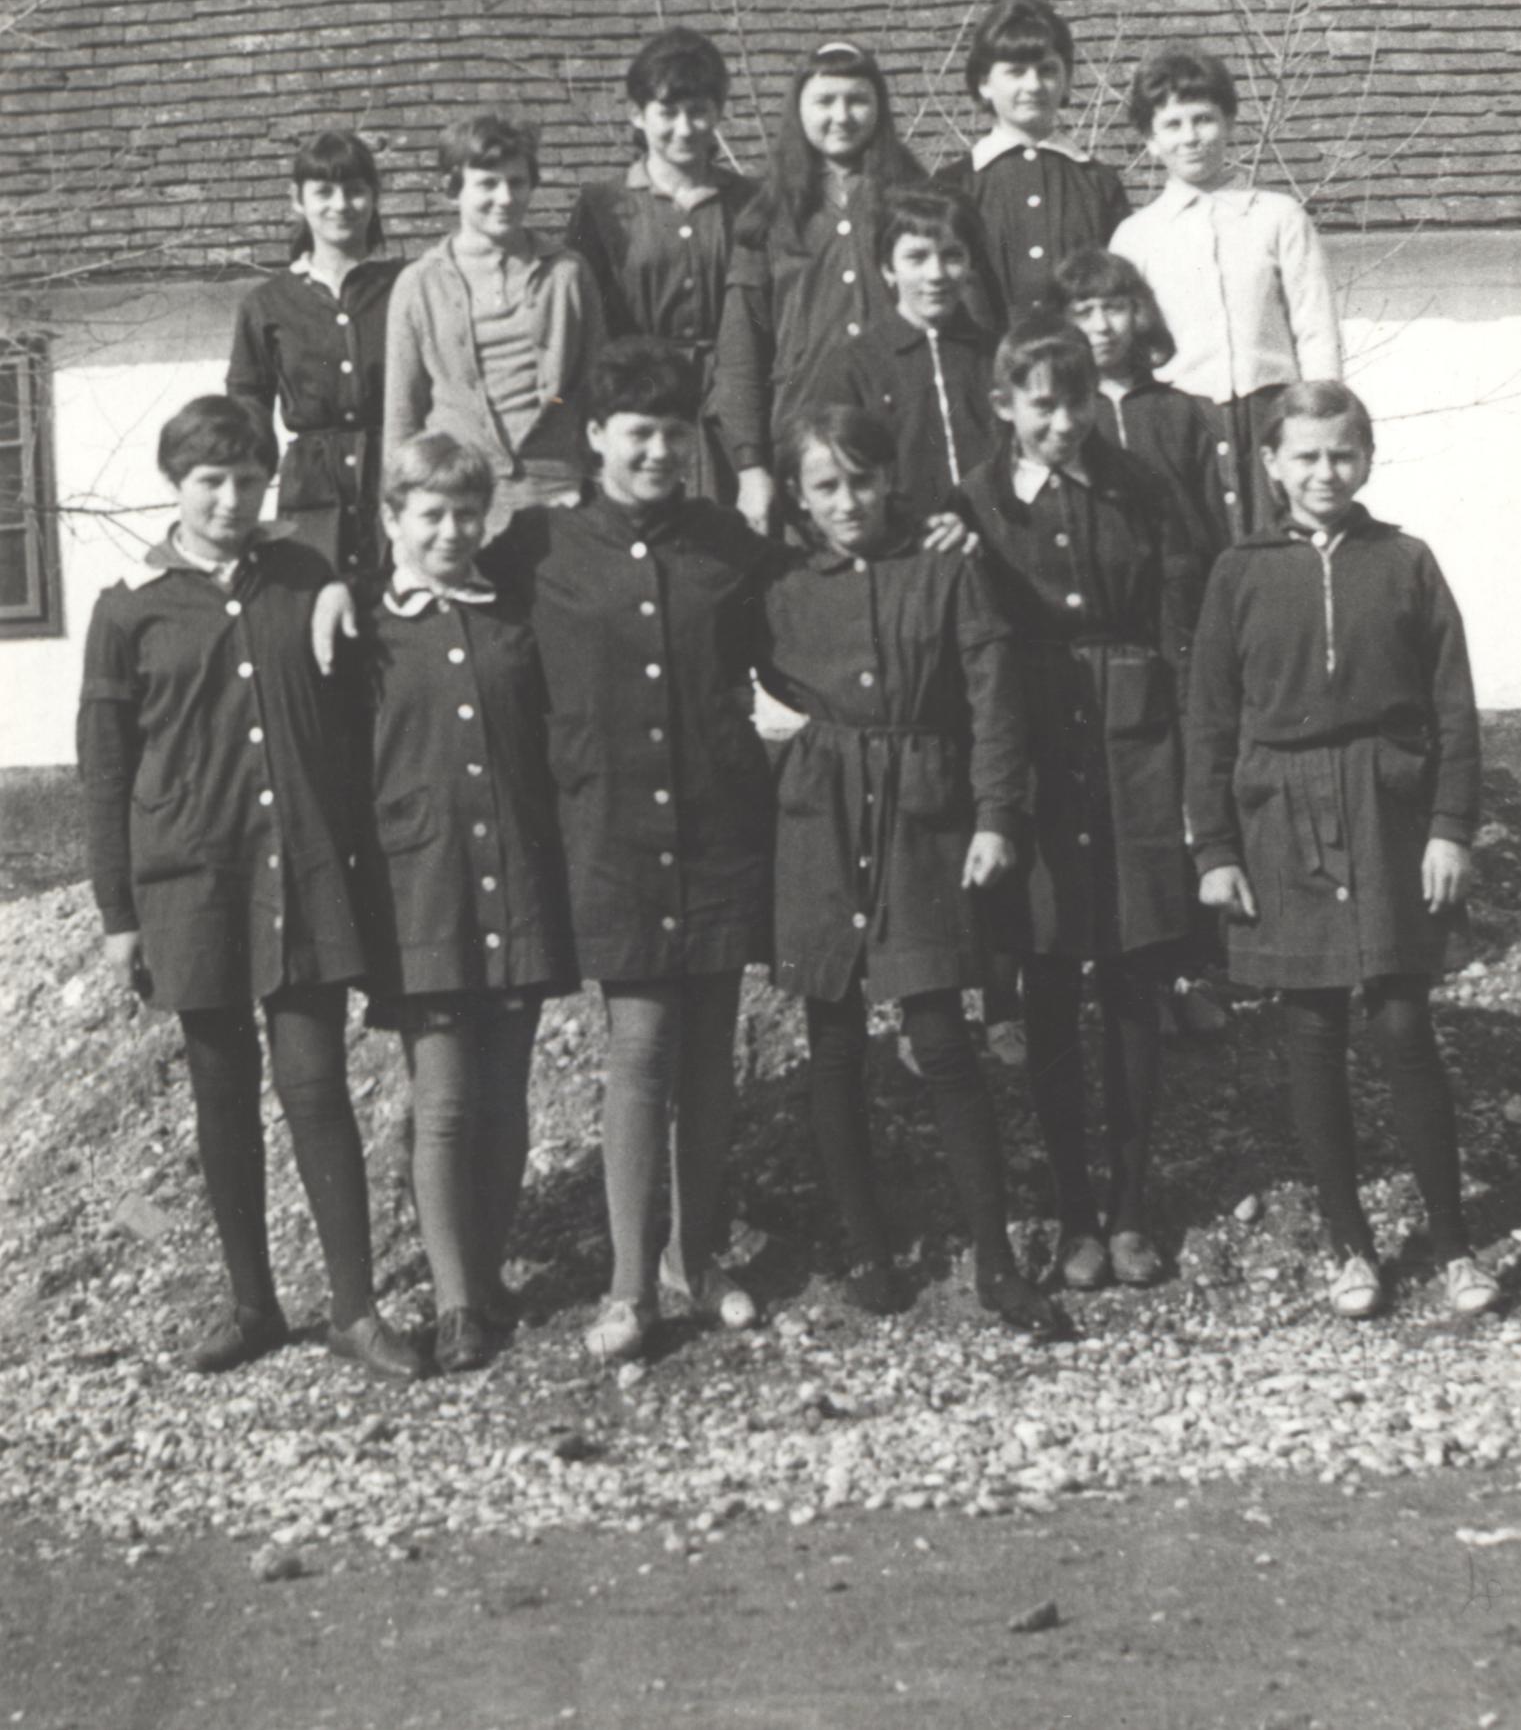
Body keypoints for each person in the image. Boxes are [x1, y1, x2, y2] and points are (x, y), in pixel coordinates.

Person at [76, 397, 421, 1381]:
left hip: (299, 875)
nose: (230, 501)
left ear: (269, 482)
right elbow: (105, 770)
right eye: (210, 482)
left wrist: (343, 589)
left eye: (247, 481)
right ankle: (253, 1306)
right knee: (221, 1094)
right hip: (193, 884)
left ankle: (355, 1309)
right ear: (175, 485)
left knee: (316, 1086)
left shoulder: (303, 578)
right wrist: (118, 914)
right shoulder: (128, 607)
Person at [481, 338, 773, 1363]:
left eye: (675, 433)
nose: (658, 451)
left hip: (718, 826)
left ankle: (699, 1258)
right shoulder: (538, 547)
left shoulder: (727, 543)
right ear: (596, 436)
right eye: (638, 432)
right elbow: (445, 600)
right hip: (608, 833)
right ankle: (627, 1284)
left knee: (710, 1054)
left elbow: (814, 613)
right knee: (642, 1046)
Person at [1186, 381, 1499, 1320]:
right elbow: (1209, 719)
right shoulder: (1238, 572)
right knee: (1312, 1032)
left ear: (1366, 458)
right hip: (1281, 814)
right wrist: (1215, 847)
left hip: (1385, 811)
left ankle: (1454, 1244)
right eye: (1306, 455)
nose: (1325, 472)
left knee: (1403, 1026)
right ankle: (1350, 1244)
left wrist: (1449, 827)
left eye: (1342, 453)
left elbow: (1454, 710)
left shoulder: (1405, 561)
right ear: (1271, 464)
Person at [758, 404, 1060, 1334]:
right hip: (821, 819)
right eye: (825, 486)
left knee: (942, 1038)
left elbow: (994, 700)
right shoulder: (779, 587)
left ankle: (996, 1258)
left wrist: (996, 814)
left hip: (923, 820)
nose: (847, 501)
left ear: (890, 478)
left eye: (861, 479)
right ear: (799, 497)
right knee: (835, 1043)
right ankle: (866, 1246)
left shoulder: (946, 565)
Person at [952, 320, 1193, 1291]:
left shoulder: (1138, 488)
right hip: (1037, 754)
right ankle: (1073, 1214)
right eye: (1041, 405)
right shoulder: (970, 503)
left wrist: (1191, 768)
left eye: (1077, 402)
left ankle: (1129, 1208)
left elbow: (1178, 623)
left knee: (1133, 974)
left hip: (1135, 750)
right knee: (1049, 976)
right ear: (1003, 405)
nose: (1062, 423)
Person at [354, 433, 577, 1373]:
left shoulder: (513, 618)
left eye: (467, 514)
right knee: (444, 1100)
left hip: (516, 881)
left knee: (505, 1097)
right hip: (422, 890)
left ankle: (484, 1277)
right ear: (393, 519)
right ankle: (453, 1304)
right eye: (431, 515)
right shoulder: (366, 630)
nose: (451, 532)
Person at [1110, 43, 1342, 537]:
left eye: (1204, 119)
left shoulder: (1278, 217)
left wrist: (1318, 422)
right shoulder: (1136, 236)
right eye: (1173, 125)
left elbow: (1315, 328)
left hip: (1271, 414)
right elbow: (1126, 349)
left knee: (1281, 546)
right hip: (1179, 423)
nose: (1191, 137)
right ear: (1150, 140)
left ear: (1230, 122)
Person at [712, 38, 926, 534]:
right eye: (824, 101)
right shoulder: (768, 213)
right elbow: (742, 349)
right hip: (803, 428)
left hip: (904, 424)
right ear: (799, 110)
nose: (841, 116)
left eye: (857, 100)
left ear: (879, 107)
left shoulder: (917, 198)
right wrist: (751, 466)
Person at [383, 111, 603, 531]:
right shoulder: (419, 283)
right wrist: (398, 524)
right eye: (487, 183)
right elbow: (402, 416)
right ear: (454, 189)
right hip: (457, 503)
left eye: (517, 182)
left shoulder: (567, 273)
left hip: (559, 493)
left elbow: (598, 393)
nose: (505, 198)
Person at [565, 27, 756, 502]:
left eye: (698, 111)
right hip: (638, 407)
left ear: (718, 111)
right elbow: (587, 329)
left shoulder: (750, 203)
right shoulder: (603, 207)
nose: (685, 128)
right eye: (668, 113)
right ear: (637, 115)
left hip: (730, 410)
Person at [227, 128, 403, 580]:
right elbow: (246, 415)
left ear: (375, 196)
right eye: (323, 191)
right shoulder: (267, 304)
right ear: (297, 200)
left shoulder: (410, 287)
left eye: (355, 190)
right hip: (310, 500)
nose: (340, 205)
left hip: (401, 489)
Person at [1055, 247, 1229, 674]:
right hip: (1099, 606)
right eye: (1084, 312)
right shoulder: (1062, 416)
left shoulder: (1182, 410)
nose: (1102, 326)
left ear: (1139, 314)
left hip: (1181, 598)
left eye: (1115, 308)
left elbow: (1212, 519)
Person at [933, 0, 1130, 325]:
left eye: (1047, 70)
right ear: (984, 83)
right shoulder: (954, 186)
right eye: (1016, 71)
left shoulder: (1098, 183)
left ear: (1066, 79)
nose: (1034, 85)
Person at [809, 188, 1000, 518]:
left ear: (971, 263)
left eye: (952, 256)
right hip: (904, 538)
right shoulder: (853, 366)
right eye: (917, 257)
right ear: (888, 268)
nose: (936, 274)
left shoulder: (997, 356)